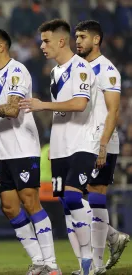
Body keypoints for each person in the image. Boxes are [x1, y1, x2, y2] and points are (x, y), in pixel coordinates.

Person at [19, 19, 101, 275]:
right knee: (66, 203)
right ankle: (84, 262)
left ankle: (89, 261)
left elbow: (79, 104)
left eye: (45, 40)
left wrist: (43, 105)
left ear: (61, 41)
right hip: (60, 145)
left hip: (82, 143)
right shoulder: (55, 71)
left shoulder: (82, 68)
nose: (42, 46)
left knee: (75, 197)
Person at [0, 28, 60, 275]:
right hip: (3, 151)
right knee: (9, 206)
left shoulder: (17, 71)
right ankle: (38, 260)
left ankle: (52, 265)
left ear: (1, 47)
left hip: (24, 147)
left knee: (30, 201)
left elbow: (13, 110)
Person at [75, 20, 130, 274]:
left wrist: (103, 145)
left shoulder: (106, 69)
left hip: (100, 142)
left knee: (95, 198)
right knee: (74, 198)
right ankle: (113, 237)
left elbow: (113, 110)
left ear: (96, 40)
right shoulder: (78, 68)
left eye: (83, 37)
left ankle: (96, 265)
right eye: (76, 36)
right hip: (80, 142)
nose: (78, 41)